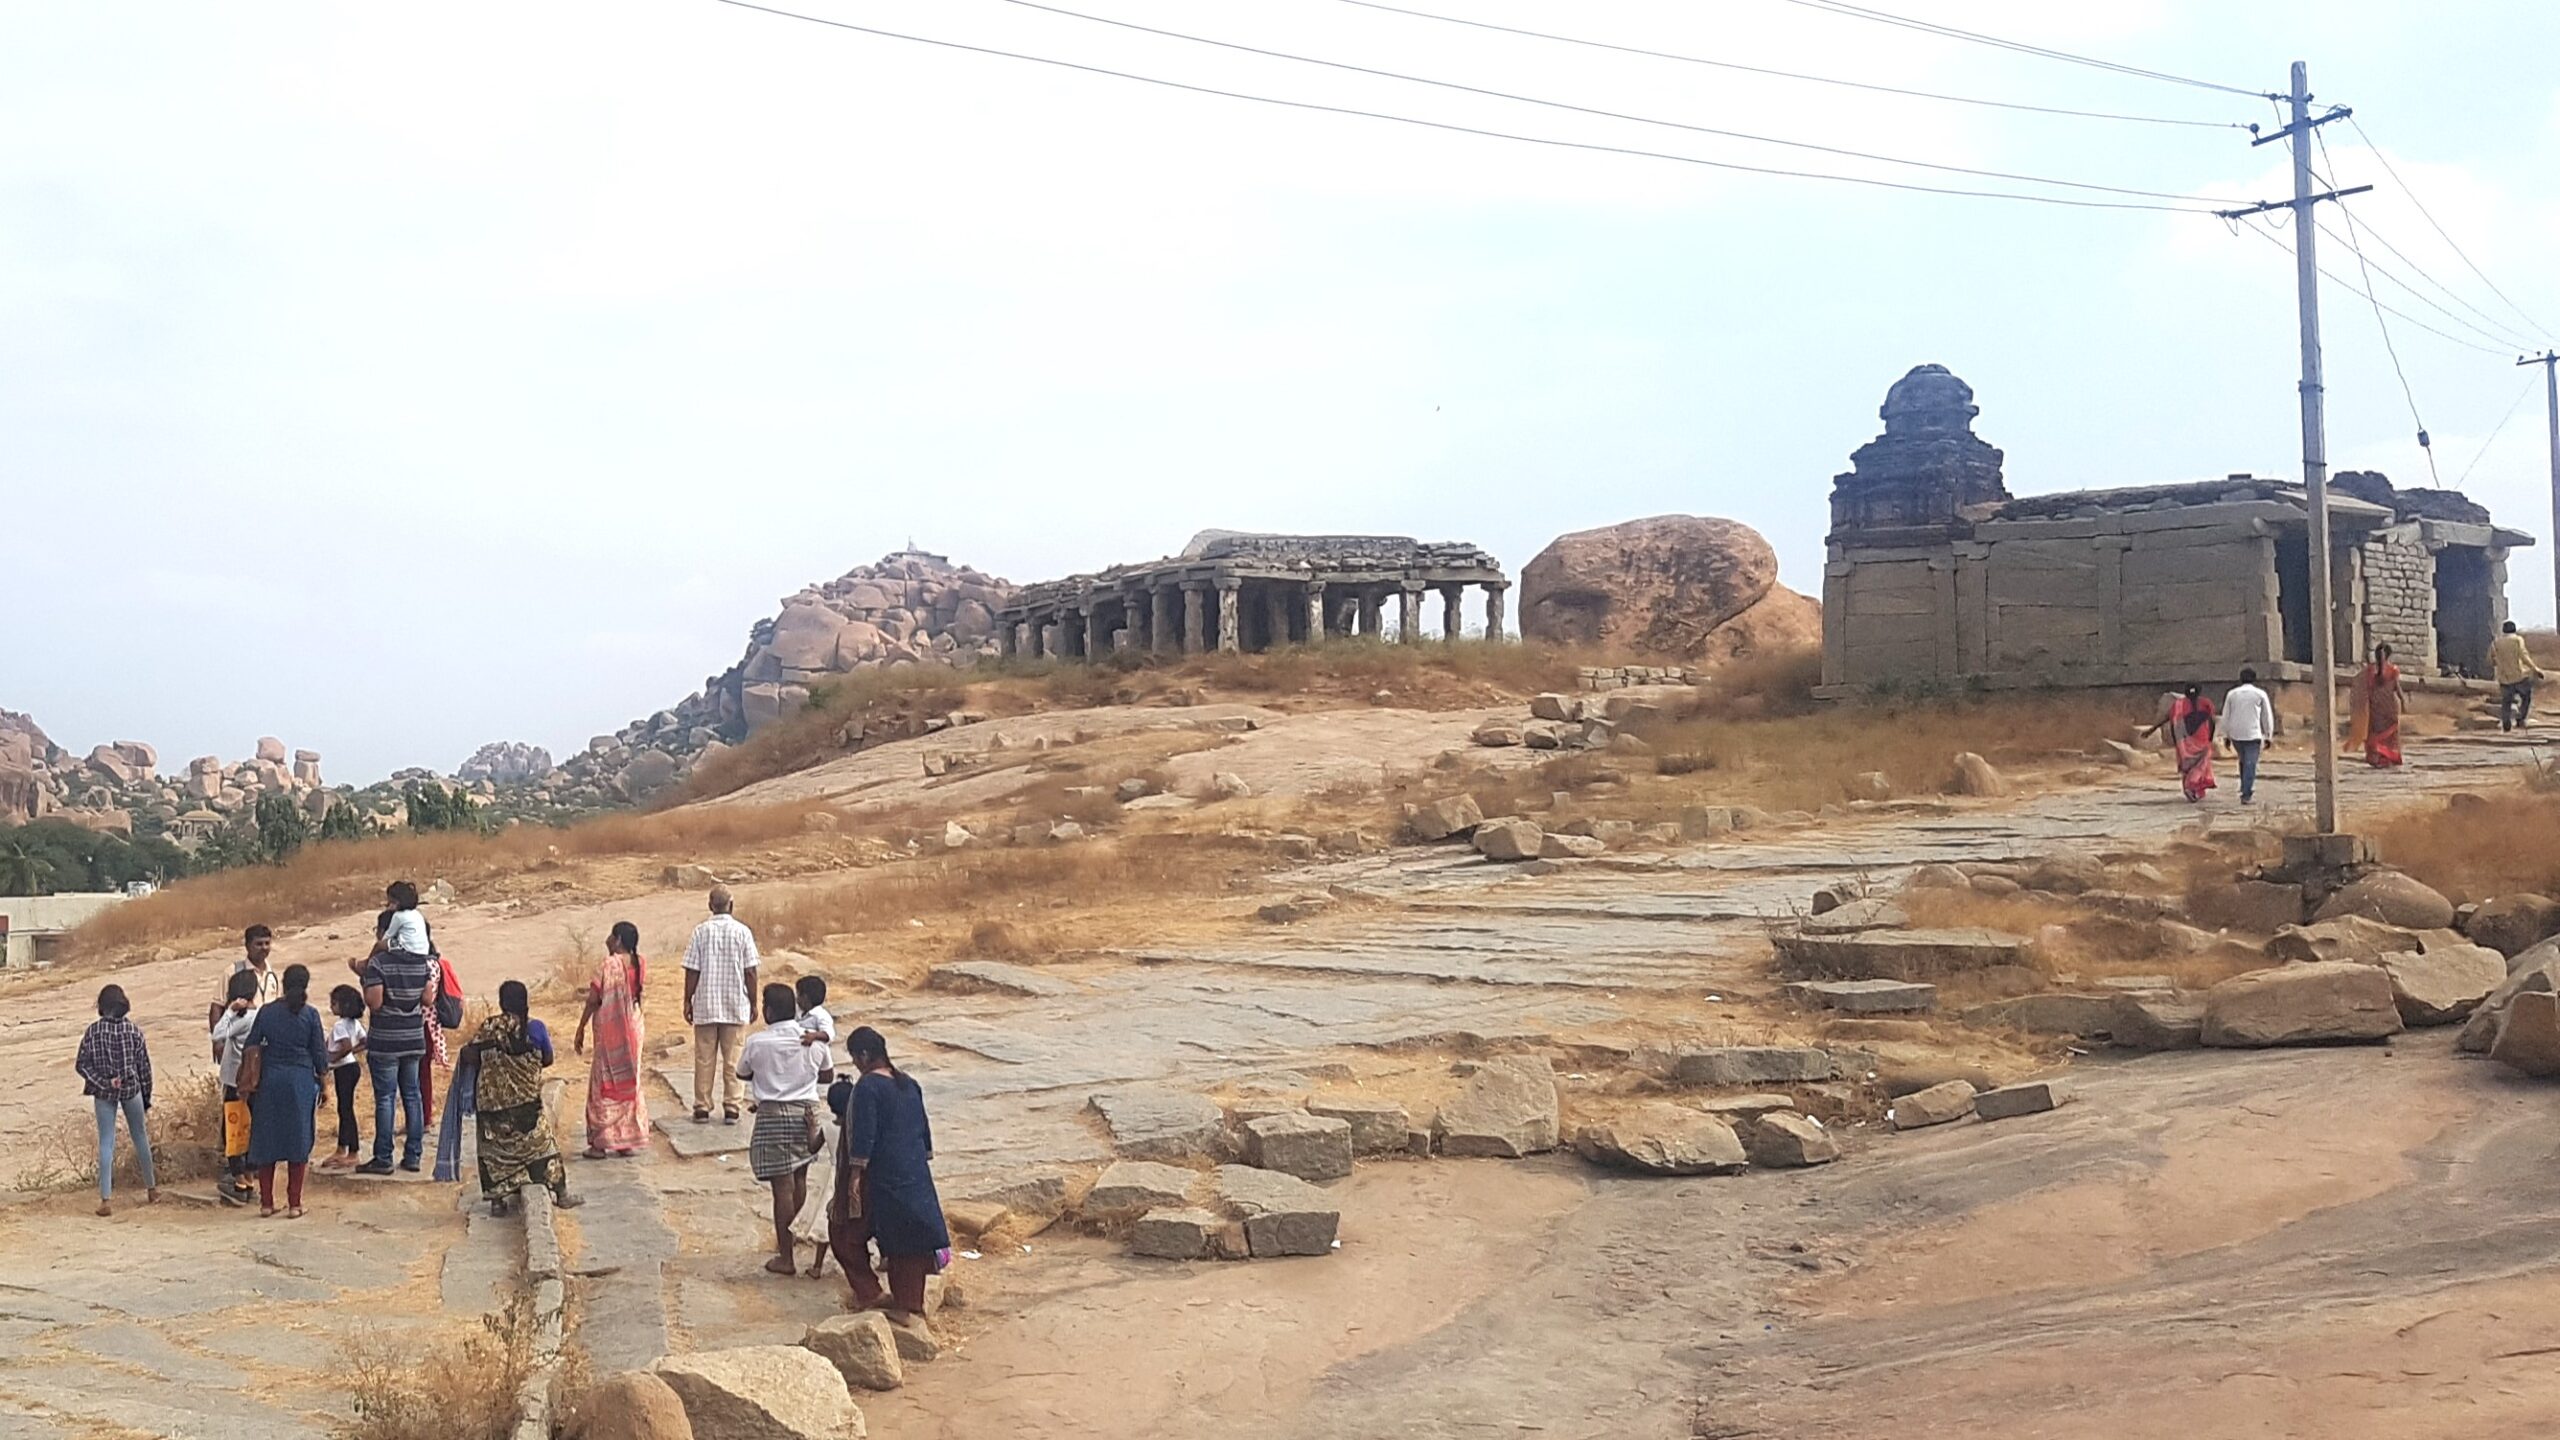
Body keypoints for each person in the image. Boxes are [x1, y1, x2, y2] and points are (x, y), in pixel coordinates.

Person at [831, 1026, 949, 1326]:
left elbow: (863, 1134)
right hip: (912, 1173)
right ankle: (909, 1303)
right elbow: (923, 1131)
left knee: (843, 1232)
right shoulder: (909, 1084)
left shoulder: (868, 1087)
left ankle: (870, 1293)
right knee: (908, 1240)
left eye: (856, 1058)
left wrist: (855, 1175)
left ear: (865, 1055)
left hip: (878, 1176)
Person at [455, 981, 580, 1217]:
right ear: (526, 1002)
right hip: (526, 1106)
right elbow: (547, 1059)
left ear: (502, 1003)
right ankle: (562, 1194)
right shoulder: (536, 1029)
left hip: (493, 1108)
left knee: (494, 1151)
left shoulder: (489, 1027)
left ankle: (497, 1201)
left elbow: (469, 1055)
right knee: (544, 1146)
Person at [738, 983, 827, 1276]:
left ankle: (786, 1255)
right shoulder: (813, 1040)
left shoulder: (757, 1042)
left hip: (774, 1114)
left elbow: (742, 1072)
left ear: (769, 1011)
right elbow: (826, 1073)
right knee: (800, 1176)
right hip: (807, 1113)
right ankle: (795, 1232)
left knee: (782, 1189)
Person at [356, 881, 435, 1176]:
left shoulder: (380, 964)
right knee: (412, 1095)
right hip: (413, 1036)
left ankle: (383, 1157)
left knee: (386, 1097)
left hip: (387, 1039)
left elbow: (374, 1004)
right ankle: (413, 1156)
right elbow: (427, 998)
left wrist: (363, 978)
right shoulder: (421, 963)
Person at [243, 964, 329, 1219]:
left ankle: (267, 1203)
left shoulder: (267, 1012)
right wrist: (324, 1085)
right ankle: (294, 1204)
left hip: (270, 1081)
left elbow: (251, 1043)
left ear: (282, 983)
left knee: (267, 1139)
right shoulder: (311, 1015)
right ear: (306, 985)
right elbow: (320, 1055)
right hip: (300, 1081)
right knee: (298, 1140)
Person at [74, 984, 157, 1218]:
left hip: (104, 1092)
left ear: (101, 1006)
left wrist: (101, 1082)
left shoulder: (93, 1032)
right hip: (132, 1089)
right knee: (140, 1137)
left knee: (106, 1142)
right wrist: (147, 1097)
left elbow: (81, 1064)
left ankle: (105, 1199)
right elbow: (144, 1069)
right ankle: (151, 1189)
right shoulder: (134, 1031)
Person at [682, 887, 761, 1126]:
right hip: (734, 1003)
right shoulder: (742, 932)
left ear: (710, 905)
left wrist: (688, 999)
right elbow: (750, 971)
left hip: (706, 1003)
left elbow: (692, 970)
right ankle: (732, 1106)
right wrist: (754, 1001)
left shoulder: (700, 932)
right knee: (733, 1058)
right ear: (731, 905)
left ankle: (702, 1106)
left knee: (704, 1057)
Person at [573, 921, 649, 1159]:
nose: (606, 940)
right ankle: (626, 1139)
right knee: (629, 1079)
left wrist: (581, 1027)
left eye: (610, 936)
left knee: (603, 1082)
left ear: (617, 940)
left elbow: (594, 999)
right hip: (633, 1026)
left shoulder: (608, 964)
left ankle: (601, 1142)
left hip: (610, 1029)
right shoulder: (640, 963)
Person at [787, 974, 840, 1277]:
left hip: (803, 1091)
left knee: (800, 1180)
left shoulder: (819, 1018)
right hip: (808, 1094)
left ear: (806, 998)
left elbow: (828, 1034)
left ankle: (796, 1232)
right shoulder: (802, 1016)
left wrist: (812, 1039)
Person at [210, 969, 261, 1205]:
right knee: (251, 1130)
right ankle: (250, 1178)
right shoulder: (261, 1015)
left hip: (234, 1081)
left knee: (233, 1131)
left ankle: (239, 1181)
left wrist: (229, 1011)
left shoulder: (242, 1020)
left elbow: (217, 1034)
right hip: (255, 1081)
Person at [209, 925, 281, 1064]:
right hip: (239, 1043)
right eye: (258, 944)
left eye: (267, 943)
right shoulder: (233, 972)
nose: (264, 948)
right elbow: (216, 1007)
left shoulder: (272, 975)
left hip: (268, 1043)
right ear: (247, 946)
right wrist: (218, 1041)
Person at [2141, 683, 2218, 802]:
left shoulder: (2178, 704)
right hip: (2202, 739)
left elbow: (2166, 718)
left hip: (2183, 741)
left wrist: (2151, 730)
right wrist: (2210, 738)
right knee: (2201, 765)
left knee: (2187, 765)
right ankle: (2191, 786)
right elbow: (2212, 721)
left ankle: (2191, 789)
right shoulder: (2206, 703)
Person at [321, 986, 368, 1170]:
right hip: (351, 1067)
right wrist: (351, 1053)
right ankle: (342, 1148)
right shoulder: (354, 1024)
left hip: (344, 1069)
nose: (331, 1007)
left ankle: (353, 1151)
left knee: (346, 1110)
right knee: (344, 1108)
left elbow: (346, 1046)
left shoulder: (340, 1025)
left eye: (334, 1003)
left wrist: (330, 1059)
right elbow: (364, 1041)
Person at [2221, 667, 2277, 806]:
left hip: (2236, 734)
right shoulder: (2260, 694)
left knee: (2243, 761)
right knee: (2250, 763)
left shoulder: (2232, 694)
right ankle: (2246, 793)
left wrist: (2226, 735)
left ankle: (2244, 787)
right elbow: (2266, 716)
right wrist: (2268, 734)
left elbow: (2226, 715)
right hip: (2253, 734)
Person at [2344, 642, 2406, 768]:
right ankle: (2387, 757)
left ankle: (2376, 757)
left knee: (2375, 732)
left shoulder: (2369, 671)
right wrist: (2403, 701)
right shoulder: (2393, 670)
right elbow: (2397, 688)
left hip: (2375, 707)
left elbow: (2360, 686)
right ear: (2389, 655)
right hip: (2389, 707)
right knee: (2389, 735)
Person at [2492, 620, 2544, 732]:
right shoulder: (2517, 640)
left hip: (2504, 677)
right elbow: (2524, 656)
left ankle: (2506, 721)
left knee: (2506, 701)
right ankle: (2521, 718)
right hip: (2519, 676)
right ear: (2514, 629)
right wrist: (2535, 668)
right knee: (2526, 696)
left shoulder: (2497, 642)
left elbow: (2490, 659)